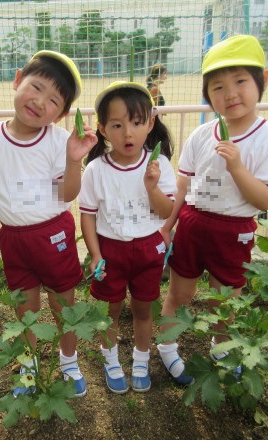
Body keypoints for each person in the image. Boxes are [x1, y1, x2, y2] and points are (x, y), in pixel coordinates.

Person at [0, 50, 98, 398]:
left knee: (64, 304)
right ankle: (29, 364)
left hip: (53, 234)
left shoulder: (59, 141)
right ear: (18, 80)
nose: (39, 102)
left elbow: (67, 194)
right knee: (24, 306)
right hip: (13, 238)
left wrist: (73, 160)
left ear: (60, 115)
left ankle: (69, 361)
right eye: (36, 87)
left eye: (53, 101)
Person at [158, 35, 268, 384]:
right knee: (179, 294)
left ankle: (221, 348)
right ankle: (167, 347)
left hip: (235, 230)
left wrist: (237, 168)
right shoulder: (201, 135)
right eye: (218, 87)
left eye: (240, 81)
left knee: (225, 299)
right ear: (207, 94)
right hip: (193, 224)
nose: (230, 94)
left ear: (264, 80)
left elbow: (265, 201)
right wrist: (167, 226)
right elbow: (183, 187)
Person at [78, 81, 176, 394]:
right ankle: (111, 360)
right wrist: (96, 255)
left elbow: (166, 211)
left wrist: (152, 187)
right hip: (110, 251)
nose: (128, 134)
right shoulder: (95, 170)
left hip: (148, 249)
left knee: (144, 309)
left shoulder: (159, 165)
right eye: (117, 125)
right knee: (110, 311)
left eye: (136, 123)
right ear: (103, 129)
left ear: (151, 122)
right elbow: (88, 215)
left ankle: (141, 360)